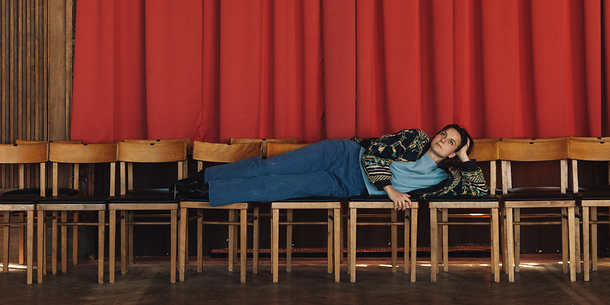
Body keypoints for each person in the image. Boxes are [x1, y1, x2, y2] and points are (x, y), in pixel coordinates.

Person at [181, 125, 489, 207]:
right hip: (343, 155)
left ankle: (208, 191)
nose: (442, 140)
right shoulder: (415, 138)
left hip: (347, 186)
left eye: (451, 142)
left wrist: (466, 159)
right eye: (444, 135)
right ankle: (199, 179)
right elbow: (374, 156)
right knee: (272, 167)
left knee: (280, 187)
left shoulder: (443, 179)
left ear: (454, 152)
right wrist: (391, 190)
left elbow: (480, 192)